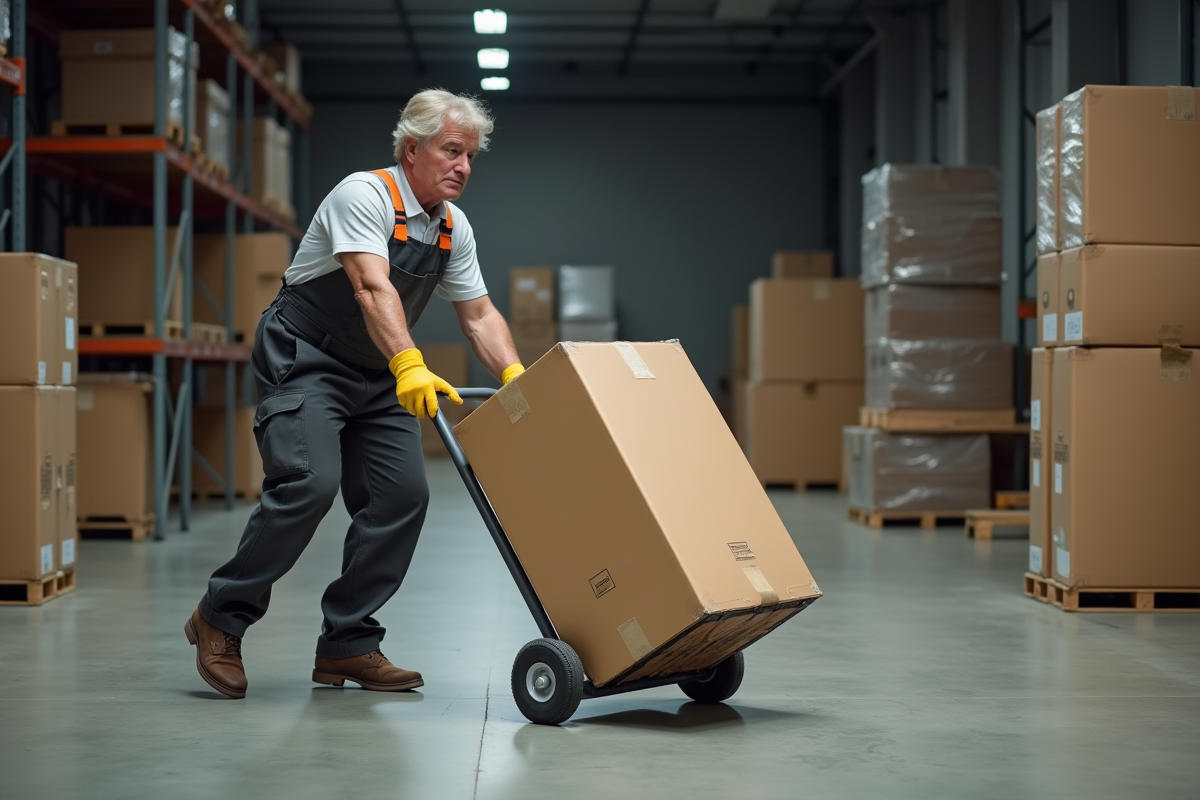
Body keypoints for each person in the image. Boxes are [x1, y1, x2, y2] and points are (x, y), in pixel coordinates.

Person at [184, 89, 524, 699]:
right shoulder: (363, 195)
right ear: (411, 149)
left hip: (380, 371)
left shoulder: (451, 228)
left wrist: (516, 377)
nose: (464, 166)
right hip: (308, 357)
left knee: (402, 496)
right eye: (452, 151)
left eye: (471, 156)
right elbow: (370, 288)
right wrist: (410, 364)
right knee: (307, 484)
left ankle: (347, 642)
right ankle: (220, 615)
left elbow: (478, 315)